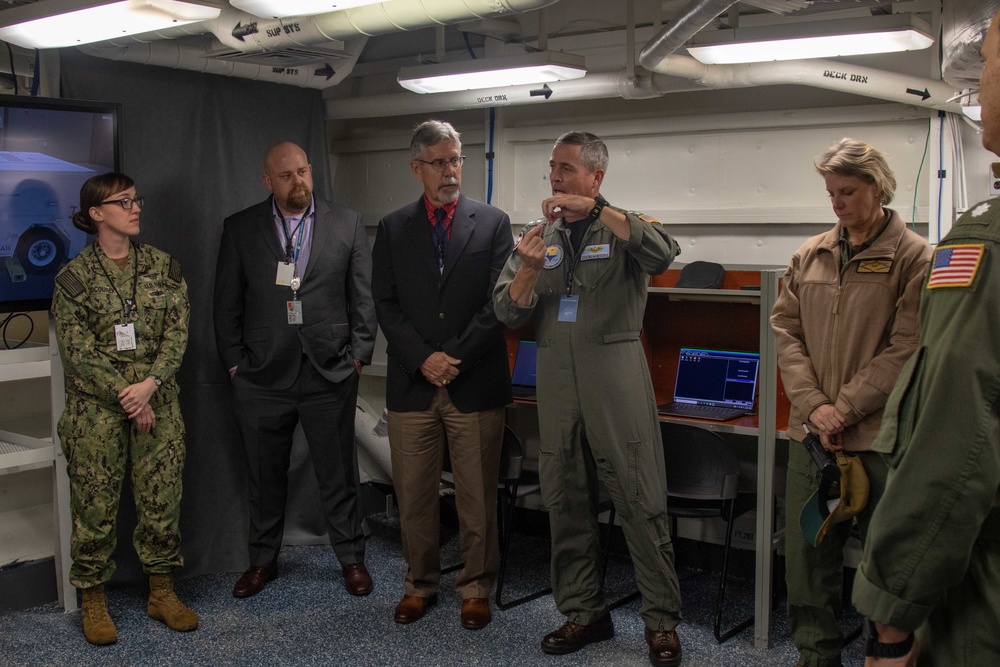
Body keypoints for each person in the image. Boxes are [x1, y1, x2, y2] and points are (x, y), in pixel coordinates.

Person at [493, 131, 684, 667]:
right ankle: (583, 612)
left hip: (614, 373)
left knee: (639, 498)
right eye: (552, 167)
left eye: (567, 168)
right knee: (564, 496)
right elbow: (507, 313)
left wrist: (601, 209)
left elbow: (663, 255)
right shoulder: (538, 237)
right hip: (556, 374)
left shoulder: (623, 226)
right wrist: (529, 268)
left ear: (596, 178)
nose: (555, 177)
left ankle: (662, 623)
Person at [851, 10, 1000, 666]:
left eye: (988, 62)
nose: (975, 80)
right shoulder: (811, 256)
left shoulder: (979, 241)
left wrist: (893, 616)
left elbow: (956, 441)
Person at [770, 138, 931, 667]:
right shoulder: (808, 254)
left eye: (848, 191)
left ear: (878, 188)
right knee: (808, 556)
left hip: (879, 436)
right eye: (831, 193)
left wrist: (846, 408)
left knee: (887, 558)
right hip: (813, 435)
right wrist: (816, 407)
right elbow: (786, 332)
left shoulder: (916, 258)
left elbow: (907, 346)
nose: (837, 203)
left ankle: (887, 654)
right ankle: (815, 656)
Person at [213, 141, 377, 599]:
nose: (299, 181)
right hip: (262, 376)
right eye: (287, 176)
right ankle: (262, 562)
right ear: (268, 181)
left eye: (303, 171)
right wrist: (234, 365)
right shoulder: (241, 228)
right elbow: (225, 304)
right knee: (264, 477)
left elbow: (363, 297)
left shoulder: (346, 222)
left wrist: (358, 356)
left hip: (329, 369)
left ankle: (352, 560)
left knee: (338, 473)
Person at [371, 120, 513, 630]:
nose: (451, 170)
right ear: (418, 169)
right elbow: (385, 303)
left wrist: (451, 357)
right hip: (413, 384)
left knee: (477, 497)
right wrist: (422, 357)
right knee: (414, 496)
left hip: (473, 380)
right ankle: (420, 585)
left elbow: (498, 301)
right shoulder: (392, 228)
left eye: (456, 160)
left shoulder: (493, 223)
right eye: (440, 162)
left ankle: (475, 589)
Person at [51, 172, 196, 645]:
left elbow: (177, 336)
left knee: (162, 503)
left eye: (137, 200)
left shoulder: (164, 268)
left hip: (158, 402)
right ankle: (93, 601)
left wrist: (149, 386)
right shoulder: (73, 280)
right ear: (96, 214)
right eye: (124, 202)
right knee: (93, 508)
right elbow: (78, 352)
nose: (136, 208)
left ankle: (162, 592)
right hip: (98, 414)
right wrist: (129, 395)